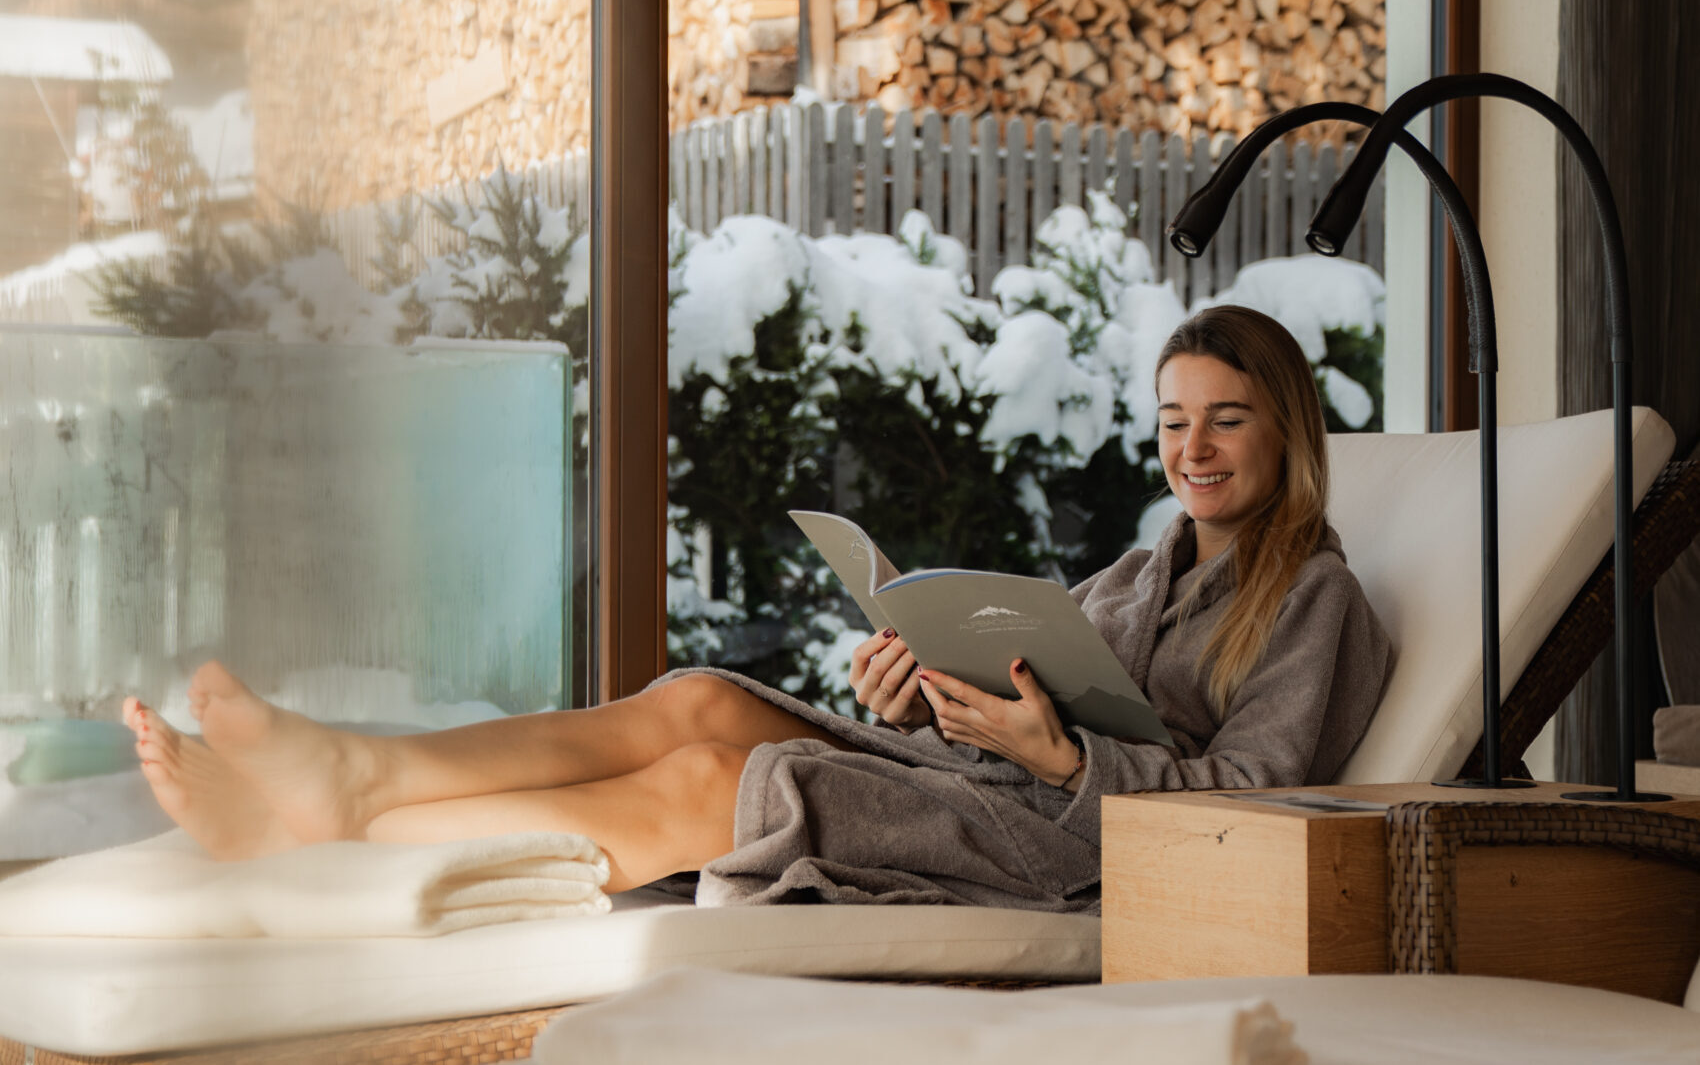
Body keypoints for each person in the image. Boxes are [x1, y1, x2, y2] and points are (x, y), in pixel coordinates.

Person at [125, 304, 1391, 911]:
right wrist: (936, 693)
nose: (1194, 446)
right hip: (1003, 790)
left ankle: (331, 834)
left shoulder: (1314, 596)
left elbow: (1253, 807)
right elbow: (1035, 698)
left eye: (1226, 416)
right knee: (699, 698)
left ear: (1283, 424)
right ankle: (349, 770)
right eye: (1174, 419)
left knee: (713, 783)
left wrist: (1060, 755)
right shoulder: (1135, 570)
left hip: (1081, 854)